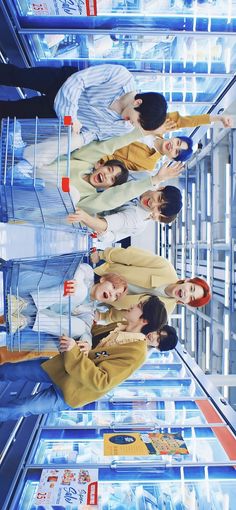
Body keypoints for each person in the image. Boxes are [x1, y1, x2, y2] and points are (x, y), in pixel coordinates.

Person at [0, 296, 168, 422]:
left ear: (144, 320)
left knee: (20, 408)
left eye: (139, 306)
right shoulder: (120, 326)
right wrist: (86, 344)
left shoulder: (136, 353)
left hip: (73, 391)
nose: (133, 305)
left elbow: (101, 381)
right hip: (61, 368)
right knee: (10, 369)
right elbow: (91, 337)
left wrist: (74, 349)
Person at [0, 63, 167, 145]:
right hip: (61, 82)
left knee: (14, 111)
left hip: (57, 114)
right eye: (135, 120)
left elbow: (94, 134)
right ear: (138, 102)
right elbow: (79, 80)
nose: (131, 124)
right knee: (16, 76)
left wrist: (77, 138)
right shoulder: (120, 76)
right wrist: (72, 116)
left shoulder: (124, 128)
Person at [1, 264, 128, 343]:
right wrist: (75, 282)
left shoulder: (89, 311)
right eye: (113, 287)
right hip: (30, 286)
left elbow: (87, 332)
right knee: (80, 290)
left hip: (35, 313)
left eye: (116, 296)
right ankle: (23, 303)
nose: (112, 293)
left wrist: (87, 343)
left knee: (81, 328)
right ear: (103, 279)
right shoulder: (88, 273)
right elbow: (79, 270)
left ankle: (25, 320)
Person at [91, 246, 211, 319]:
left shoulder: (164, 311)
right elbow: (130, 256)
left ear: (185, 303)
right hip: (101, 271)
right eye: (191, 289)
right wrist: (102, 255)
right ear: (187, 281)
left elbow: (126, 316)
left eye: (191, 298)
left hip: (103, 298)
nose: (186, 293)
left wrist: (104, 317)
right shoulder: (165, 267)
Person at [67, 185, 182, 245]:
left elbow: (105, 225)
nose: (153, 203)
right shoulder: (144, 180)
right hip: (91, 194)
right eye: (159, 198)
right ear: (160, 188)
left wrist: (85, 217)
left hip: (94, 221)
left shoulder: (136, 219)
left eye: (158, 208)